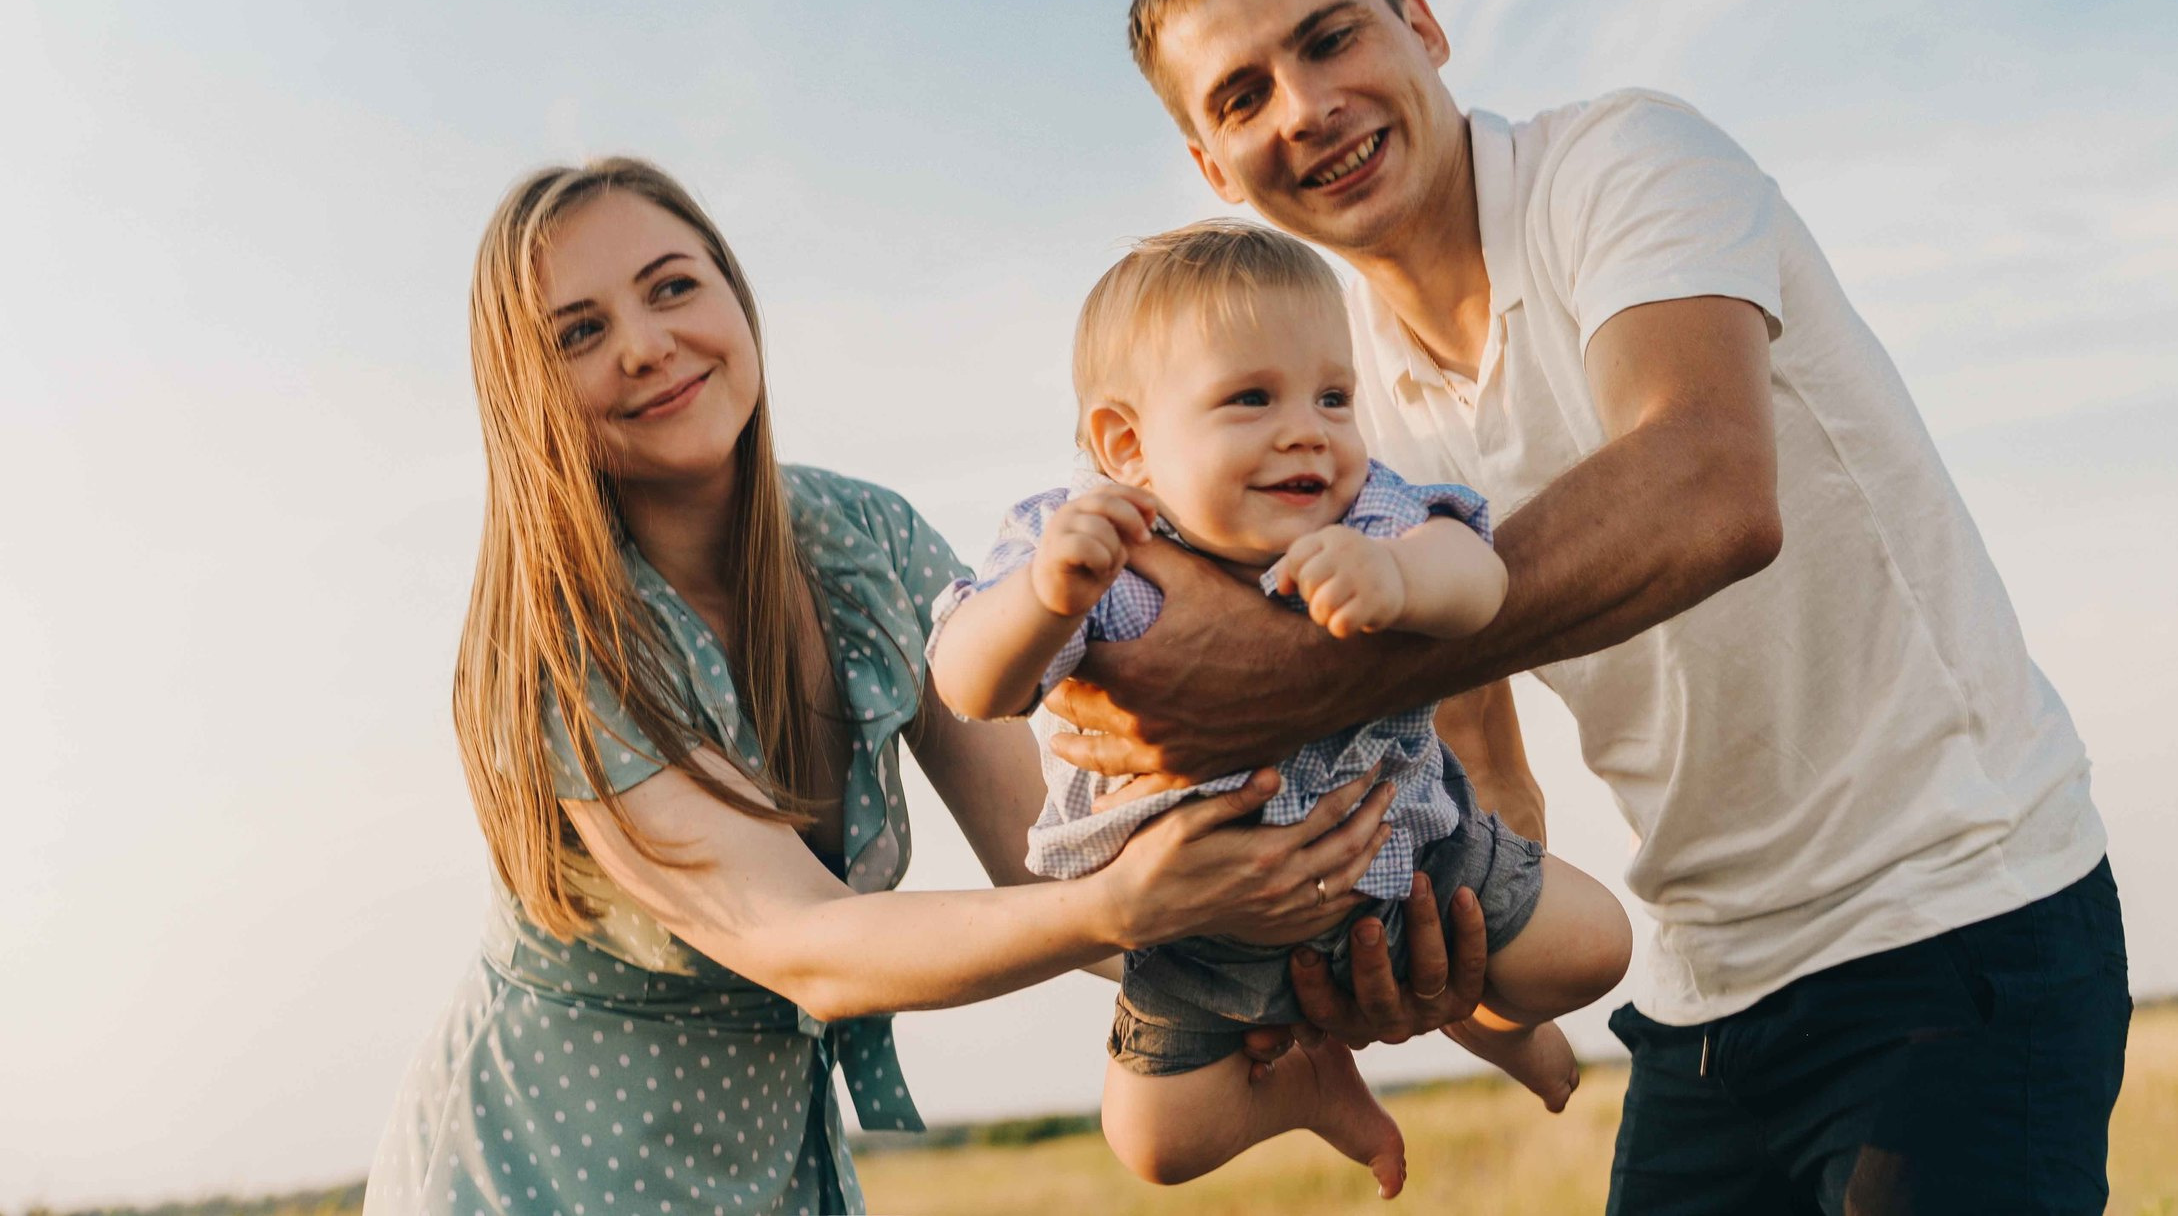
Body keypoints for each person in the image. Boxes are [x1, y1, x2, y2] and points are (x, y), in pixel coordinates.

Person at [1043, 0, 2134, 1214]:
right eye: (1241, 97)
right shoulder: (1339, 412)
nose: (1305, 106)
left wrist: (1295, 680)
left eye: (1332, 40)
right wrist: (1434, 951)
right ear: (1217, 170)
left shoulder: (1626, 167)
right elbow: (1475, 756)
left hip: (1959, 916)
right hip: (1707, 984)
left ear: (1423, 27)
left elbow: (1708, 486)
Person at [366, 158, 1412, 1216]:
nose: (645, 343)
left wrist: (1317, 961)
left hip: (775, 1163)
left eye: (674, 285)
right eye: (578, 332)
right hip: (538, 1169)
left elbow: (1042, 863)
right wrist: (1129, 902)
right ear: (525, 389)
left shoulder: (865, 538)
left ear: (734, 294)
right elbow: (802, 942)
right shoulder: (561, 640)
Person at [928, 220, 1631, 1193]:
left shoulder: (1362, 515)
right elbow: (972, 686)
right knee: (1154, 1140)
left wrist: (1397, 574)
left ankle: (1490, 1018)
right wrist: (1043, 597)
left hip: (1407, 854)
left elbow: (1479, 580)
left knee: (1596, 945)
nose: (1308, 427)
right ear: (1126, 442)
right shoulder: (1092, 547)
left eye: (1333, 395)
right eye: (1252, 397)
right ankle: (1303, 1083)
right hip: (1199, 918)